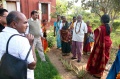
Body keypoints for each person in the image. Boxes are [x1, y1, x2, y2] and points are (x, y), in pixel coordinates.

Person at [0, 11, 36, 79]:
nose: (27, 25)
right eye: (25, 22)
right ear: (14, 24)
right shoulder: (21, 40)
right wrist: (31, 44)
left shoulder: (1, 35)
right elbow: (32, 65)